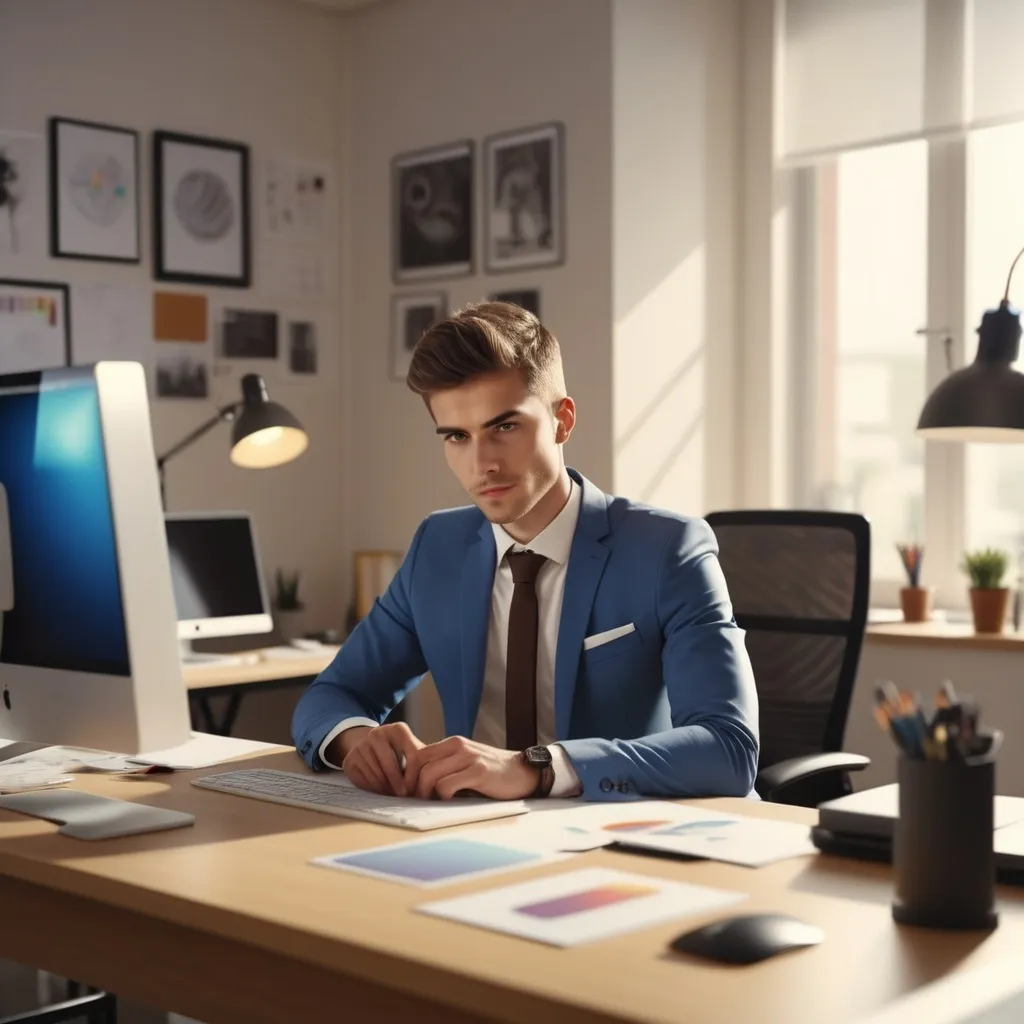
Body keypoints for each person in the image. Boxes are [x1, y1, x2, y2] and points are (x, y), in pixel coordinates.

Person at [291, 302, 759, 802]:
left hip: (629, 834)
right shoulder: (438, 548)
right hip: (473, 833)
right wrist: (357, 742)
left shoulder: (668, 549)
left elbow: (727, 749)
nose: (482, 464)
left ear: (563, 420)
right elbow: (332, 695)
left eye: (504, 427)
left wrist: (537, 769)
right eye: (457, 436)